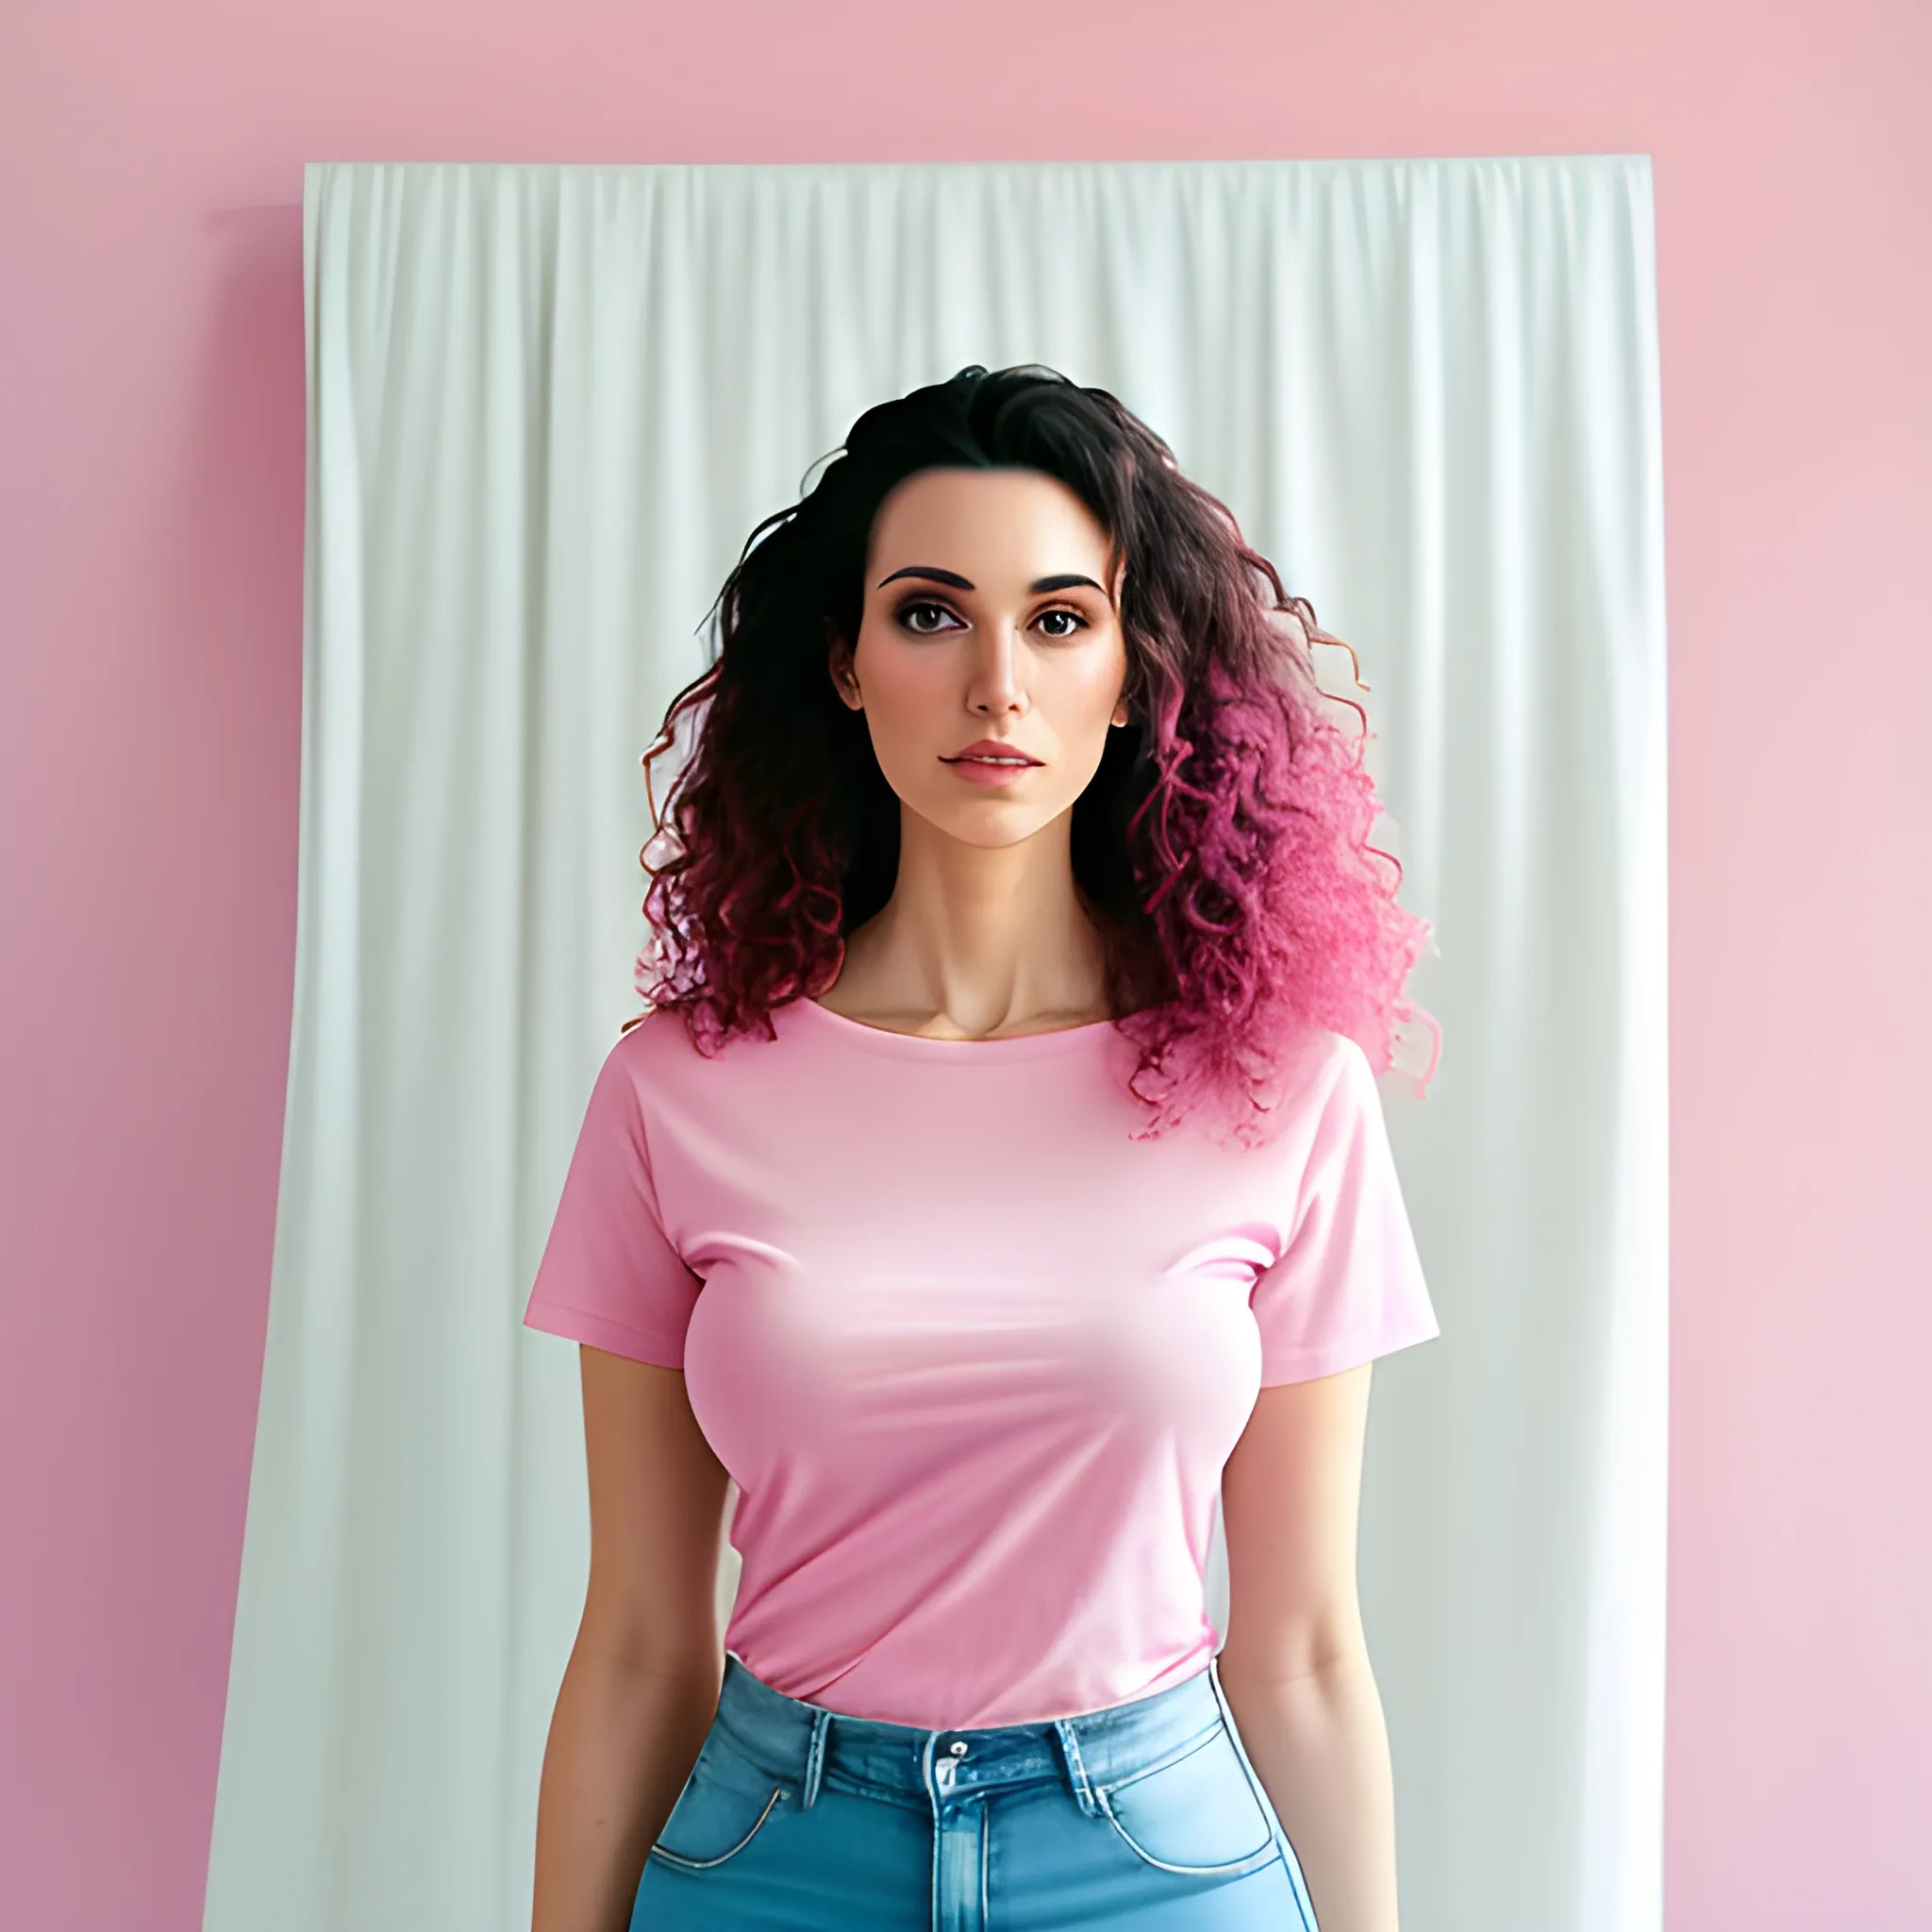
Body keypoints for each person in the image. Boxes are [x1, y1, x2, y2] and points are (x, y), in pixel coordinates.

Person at [522, 364, 1441, 1932]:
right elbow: (636, 1642)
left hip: (1154, 1863)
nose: (997, 682)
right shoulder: (676, 1093)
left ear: (1139, 677)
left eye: (1060, 619)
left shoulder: (1284, 1091)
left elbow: (1301, 1649)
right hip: (773, 1859)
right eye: (933, 614)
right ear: (847, 664)